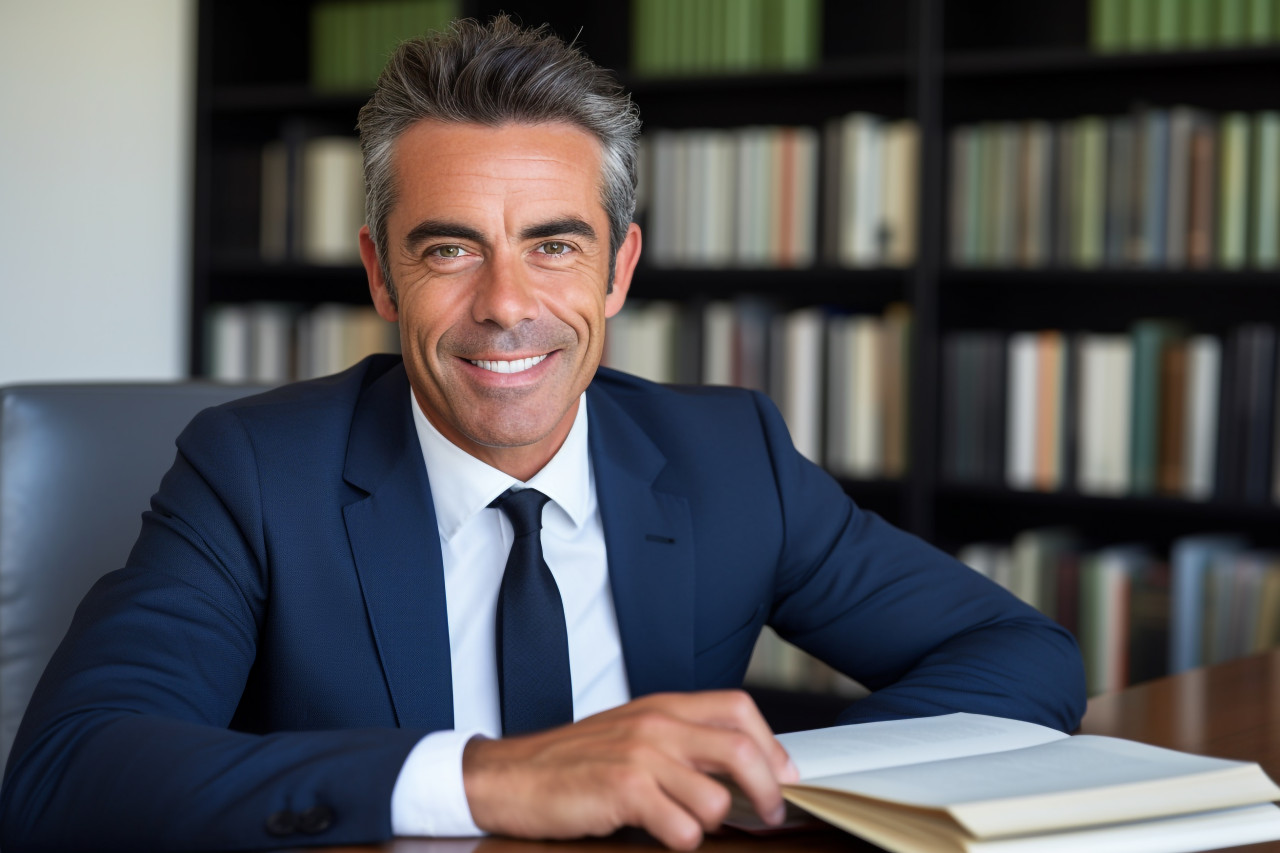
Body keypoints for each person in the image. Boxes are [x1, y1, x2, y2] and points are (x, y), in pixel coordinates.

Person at [0, 15, 1086, 853]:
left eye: (554, 246)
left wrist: (749, 777)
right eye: (449, 250)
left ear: (618, 270)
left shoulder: (727, 457)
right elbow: (66, 774)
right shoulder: (251, 472)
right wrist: (488, 780)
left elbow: (1017, 653)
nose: (506, 305)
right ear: (381, 273)